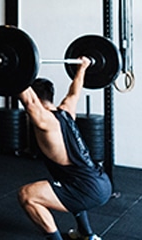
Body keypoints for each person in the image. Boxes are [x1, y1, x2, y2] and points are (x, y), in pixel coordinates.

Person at [17, 58, 111, 240]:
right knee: (69, 183)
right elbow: (75, 91)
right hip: (100, 181)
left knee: (27, 195)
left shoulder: (46, 122)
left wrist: (15, 72)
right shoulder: (67, 112)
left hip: (88, 189)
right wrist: (83, 67)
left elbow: (30, 103)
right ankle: (87, 235)